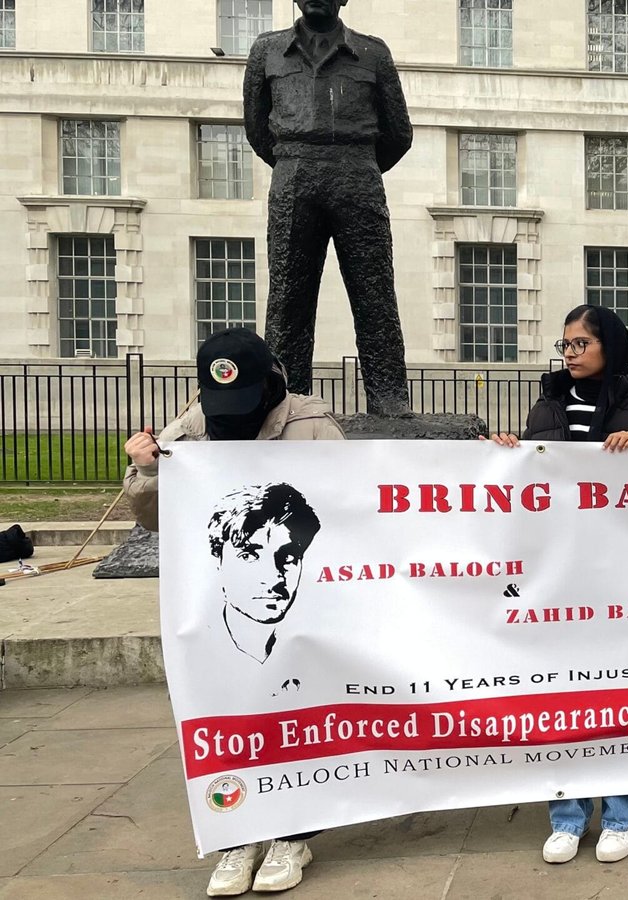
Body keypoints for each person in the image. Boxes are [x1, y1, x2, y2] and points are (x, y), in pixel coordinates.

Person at [121, 328, 342, 896]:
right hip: (218, 608)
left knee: (298, 716)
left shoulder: (311, 424)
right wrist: (147, 471)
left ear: (270, 384)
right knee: (226, 715)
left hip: (302, 607)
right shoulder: (189, 428)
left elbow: (352, 502)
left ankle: (293, 834)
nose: (233, 414)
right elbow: (154, 519)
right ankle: (236, 835)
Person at [484, 303, 628, 865]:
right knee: (561, 696)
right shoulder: (547, 404)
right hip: (560, 577)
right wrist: (508, 456)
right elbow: (533, 484)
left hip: (622, 580)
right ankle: (566, 816)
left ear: (609, 346)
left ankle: (621, 814)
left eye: (580, 344)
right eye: (565, 345)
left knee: (621, 697)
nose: (569, 354)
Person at [243, 0, 414, 414]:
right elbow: (256, 128)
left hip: (357, 174)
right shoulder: (266, 50)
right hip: (294, 174)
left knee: (374, 292)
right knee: (288, 297)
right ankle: (285, 398)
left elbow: (399, 133)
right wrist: (294, 159)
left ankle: (389, 398)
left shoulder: (373, 53)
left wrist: (358, 164)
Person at [207, 483, 323, 664]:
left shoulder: (322, 641)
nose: (274, 578)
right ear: (218, 563)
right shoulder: (194, 641)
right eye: (248, 556)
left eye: (288, 557)